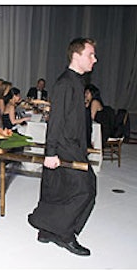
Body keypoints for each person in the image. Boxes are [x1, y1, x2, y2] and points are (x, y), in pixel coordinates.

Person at [28, 37, 98, 256]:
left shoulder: (76, 82)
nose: (94, 60)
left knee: (59, 189)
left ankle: (46, 231)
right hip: (66, 147)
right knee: (85, 190)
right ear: (76, 56)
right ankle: (65, 235)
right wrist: (50, 153)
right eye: (91, 55)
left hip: (74, 147)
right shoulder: (65, 83)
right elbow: (56, 120)